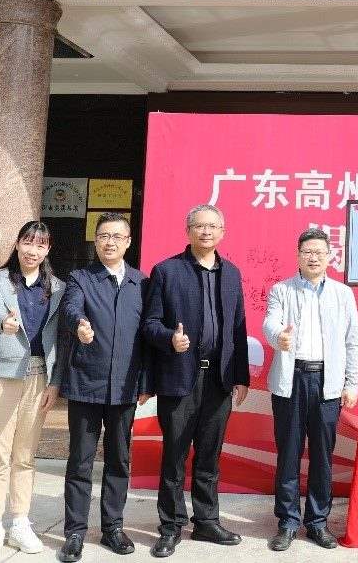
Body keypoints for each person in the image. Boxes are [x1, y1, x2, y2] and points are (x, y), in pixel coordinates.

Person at [143, 204, 250, 558]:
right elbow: (150, 324)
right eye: (200, 226)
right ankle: (171, 526)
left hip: (219, 379)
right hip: (179, 379)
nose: (206, 232)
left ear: (222, 232)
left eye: (213, 226)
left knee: (209, 455)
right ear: (188, 231)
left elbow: (238, 328)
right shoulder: (167, 271)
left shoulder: (231, 273)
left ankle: (206, 521)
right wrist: (169, 339)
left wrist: (241, 376)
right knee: (174, 455)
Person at [261, 228, 358, 552]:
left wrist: (351, 383)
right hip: (291, 380)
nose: (313, 257)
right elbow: (270, 322)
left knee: (322, 456)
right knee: (288, 454)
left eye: (319, 252)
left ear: (330, 256)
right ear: (298, 255)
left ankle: (318, 522)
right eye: (307, 252)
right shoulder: (282, 290)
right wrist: (279, 337)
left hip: (327, 383)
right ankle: (288, 522)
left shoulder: (342, 294)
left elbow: (353, 341)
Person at [58, 212, 151, 562]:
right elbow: (70, 308)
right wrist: (79, 324)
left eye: (116, 236)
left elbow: (147, 336)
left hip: (125, 388)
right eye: (103, 236)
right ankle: (75, 532)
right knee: (80, 461)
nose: (109, 242)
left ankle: (113, 527)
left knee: (119, 460)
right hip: (86, 384)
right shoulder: (81, 278)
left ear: (128, 242)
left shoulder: (141, 283)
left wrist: (145, 382)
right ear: (95, 241)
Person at [0, 220, 65, 559]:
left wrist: (55, 383)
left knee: (25, 456)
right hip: (1, 376)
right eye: (27, 242)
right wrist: (4, 323)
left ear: (48, 249)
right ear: (17, 244)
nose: (32, 250)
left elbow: (59, 339)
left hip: (39, 377)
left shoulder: (57, 288)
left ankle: (20, 522)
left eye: (40, 244)